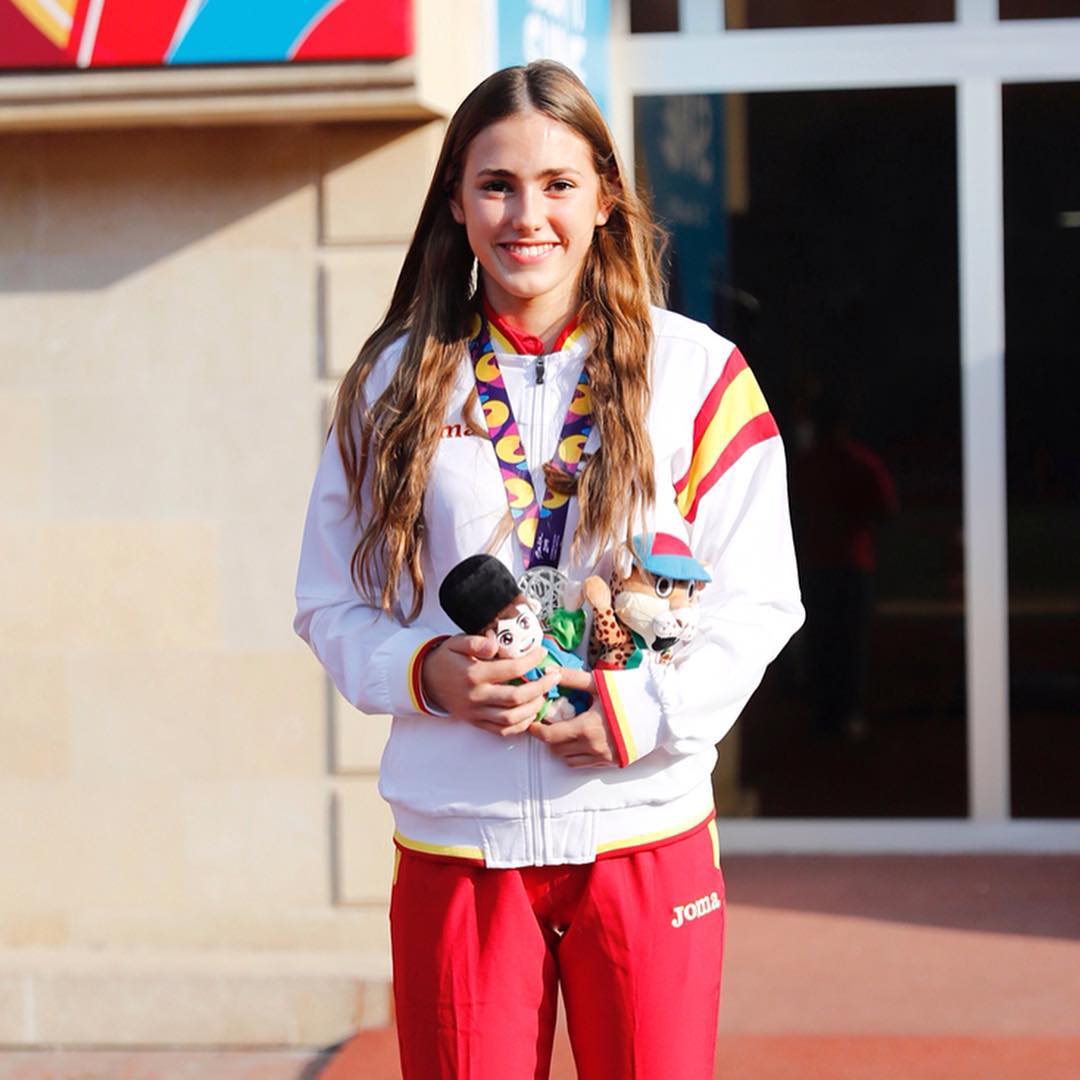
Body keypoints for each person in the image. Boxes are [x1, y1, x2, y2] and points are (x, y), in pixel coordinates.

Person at [294, 60, 803, 1080]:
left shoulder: (701, 374)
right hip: (459, 842)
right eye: (497, 185)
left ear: (606, 197)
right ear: (456, 200)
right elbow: (328, 601)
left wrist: (651, 712)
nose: (528, 215)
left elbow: (760, 601)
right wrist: (422, 671)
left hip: (640, 828)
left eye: (559, 184)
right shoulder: (391, 383)